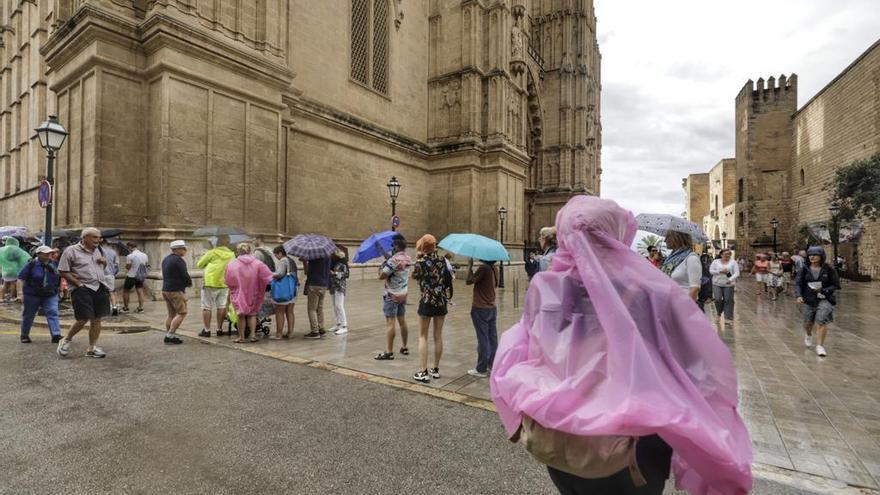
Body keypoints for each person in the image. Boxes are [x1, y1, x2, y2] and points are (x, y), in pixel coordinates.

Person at [490, 196, 752, 495]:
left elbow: (530, 349)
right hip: (628, 446)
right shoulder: (651, 291)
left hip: (558, 438)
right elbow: (697, 365)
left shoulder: (547, 286)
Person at [56, 228, 113, 358]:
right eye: (95, 237)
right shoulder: (71, 251)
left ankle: (92, 348)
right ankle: (66, 340)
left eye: (99, 237)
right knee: (83, 318)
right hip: (82, 288)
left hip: (99, 286)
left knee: (97, 319)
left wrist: (104, 262)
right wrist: (78, 284)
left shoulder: (99, 250)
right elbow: (63, 271)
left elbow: (100, 268)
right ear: (85, 238)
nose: (99, 240)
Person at [411, 234, 452, 383]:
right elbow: (448, 281)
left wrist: (419, 259)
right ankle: (435, 369)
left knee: (423, 336)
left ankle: (423, 371)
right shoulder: (443, 260)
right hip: (441, 302)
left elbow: (414, 276)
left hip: (427, 301)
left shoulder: (420, 262)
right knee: (438, 336)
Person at [794, 246, 840, 358]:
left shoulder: (829, 268)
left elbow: (836, 285)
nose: (812, 257)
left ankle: (820, 345)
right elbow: (798, 283)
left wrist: (824, 290)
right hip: (808, 299)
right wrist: (799, 296)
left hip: (824, 298)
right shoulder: (804, 269)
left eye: (815, 255)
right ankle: (808, 334)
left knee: (821, 321)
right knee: (808, 322)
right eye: (810, 255)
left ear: (821, 256)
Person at [225, 243, 274, 343]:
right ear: (249, 251)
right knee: (252, 314)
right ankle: (252, 336)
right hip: (254, 292)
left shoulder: (232, 264)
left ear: (238, 252)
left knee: (240, 315)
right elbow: (268, 277)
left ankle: (241, 337)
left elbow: (228, 280)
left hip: (239, 293)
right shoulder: (258, 263)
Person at [374, 234, 411, 360]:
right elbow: (395, 264)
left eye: (392, 246)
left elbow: (381, 276)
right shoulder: (407, 258)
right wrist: (383, 253)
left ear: (396, 246)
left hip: (392, 295)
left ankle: (389, 352)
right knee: (402, 321)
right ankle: (404, 347)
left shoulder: (393, 261)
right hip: (403, 295)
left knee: (390, 323)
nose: (391, 248)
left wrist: (381, 268)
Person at [18, 246, 62, 343]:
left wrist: (60, 289)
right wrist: (20, 293)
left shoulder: (54, 264)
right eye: (45, 253)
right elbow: (21, 278)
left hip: (50, 294)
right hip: (32, 294)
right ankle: (24, 335)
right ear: (38, 254)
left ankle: (56, 335)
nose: (48, 255)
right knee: (28, 315)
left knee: (53, 312)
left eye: (49, 253)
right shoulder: (31, 264)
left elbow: (59, 276)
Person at [196, 236, 235, 337]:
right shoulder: (232, 254)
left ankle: (207, 330)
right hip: (224, 283)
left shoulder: (212, 252)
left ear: (217, 242)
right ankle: (219, 329)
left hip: (210, 282)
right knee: (221, 306)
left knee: (206, 306)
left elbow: (199, 264)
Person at [466, 258, 497, 378]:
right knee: (492, 338)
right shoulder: (494, 269)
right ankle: (492, 363)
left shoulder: (484, 268)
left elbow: (469, 281)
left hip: (480, 308)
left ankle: (481, 368)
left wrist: (469, 267)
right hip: (491, 307)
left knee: (483, 338)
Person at [160, 240, 191, 344]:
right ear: (177, 249)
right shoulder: (179, 260)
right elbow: (185, 275)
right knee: (182, 312)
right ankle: (170, 335)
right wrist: (188, 284)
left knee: (171, 314)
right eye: (183, 248)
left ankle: (169, 334)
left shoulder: (166, 259)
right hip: (175, 290)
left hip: (166, 289)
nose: (185, 250)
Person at [660, 231, 701, 302]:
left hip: (683, 305)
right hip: (670, 303)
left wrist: (685, 308)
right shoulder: (671, 259)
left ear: (677, 238)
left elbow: (695, 288)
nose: (665, 240)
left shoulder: (691, 258)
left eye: (667, 237)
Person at [270, 245, 298, 339]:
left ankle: (279, 334)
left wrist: (269, 273)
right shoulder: (291, 260)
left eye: (276, 255)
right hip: (292, 289)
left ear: (280, 253)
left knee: (280, 312)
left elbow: (279, 274)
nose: (276, 257)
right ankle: (290, 333)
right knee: (290, 311)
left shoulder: (283, 260)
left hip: (283, 290)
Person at [303, 254, 331, 339]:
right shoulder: (328, 256)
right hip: (324, 284)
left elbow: (307, 272)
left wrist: (305, 262)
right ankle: (321, 328)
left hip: (314, 284)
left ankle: (315, 331)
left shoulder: (314, 256)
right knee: (320, 308)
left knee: (312, 309)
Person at [709, 249, 740, 322]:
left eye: (729, 254)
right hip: (717, 283)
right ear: (721, 254)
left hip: (729, 284)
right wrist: (719, 271)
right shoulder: (715, 262)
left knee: (728, 300)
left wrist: (730, 279)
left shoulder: (733, 262)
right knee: (717, 299)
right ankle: (719, 313)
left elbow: (737, 273)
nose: (728, 255)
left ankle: (727, 318)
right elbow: (711, 271)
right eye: (726, 254)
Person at [1, 236, 30, 302]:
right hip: (14, 270)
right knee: (13, 283)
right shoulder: (16, 249)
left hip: (5, 270)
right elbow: (25, 258)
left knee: (5, 284)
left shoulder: (2, 249)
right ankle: (11, 297)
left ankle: (1, 297)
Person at [122, 241, 149, 313]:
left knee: (126, 291)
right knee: (140, 291)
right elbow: (146, 265)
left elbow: (128, 267)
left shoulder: (130, 256)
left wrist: (126, 266)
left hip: (131, 275)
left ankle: (126, 308)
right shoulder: (144, 255)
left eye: (128, 247)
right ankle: (140, 308)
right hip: (140, 276)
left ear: (130, 247)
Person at [329, 247, 350, 335]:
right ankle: (338, 324)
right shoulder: (333, 263)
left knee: (339, 306)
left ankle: (344, 326)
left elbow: (347, 274)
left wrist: (335, 273)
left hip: (340, 286)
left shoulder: (342, 262)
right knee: (335, 305)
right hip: (333, 286)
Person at [99, 238, 120, 316]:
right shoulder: (113, 252)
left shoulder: (98, 252)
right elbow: (117, 265)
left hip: (100, 274)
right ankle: (114, 307)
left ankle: (102, 308)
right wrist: (114, 273)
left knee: (100, 292)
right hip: (110, 275)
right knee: (111, 292)